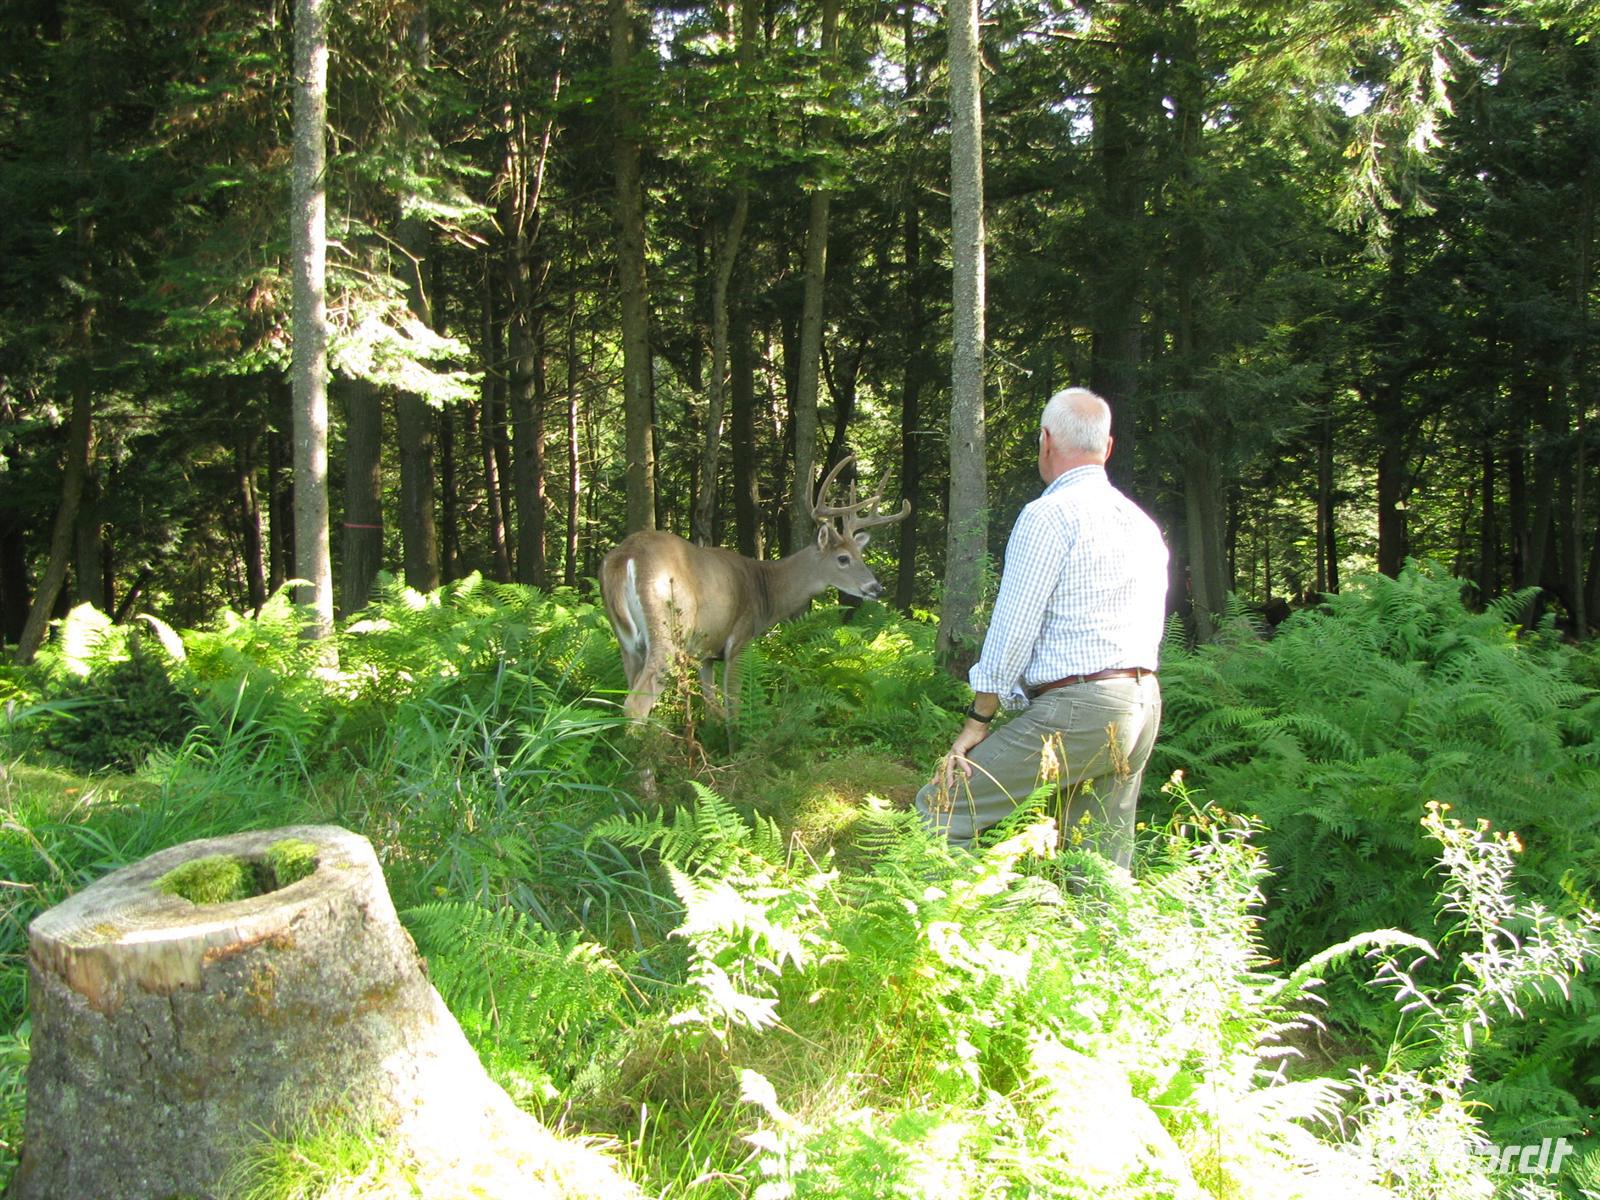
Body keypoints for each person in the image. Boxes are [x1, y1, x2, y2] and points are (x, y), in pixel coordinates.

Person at [916, 387, 1169, 868]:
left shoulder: (1048, 515)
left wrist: (978, 719)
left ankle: (954, 914)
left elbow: (1012, 629)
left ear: (1045, 441)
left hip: (1080, 708)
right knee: (1096, 860)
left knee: (942, 807)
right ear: (1107, 447)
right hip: (1141, 704)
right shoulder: (1140, 523)